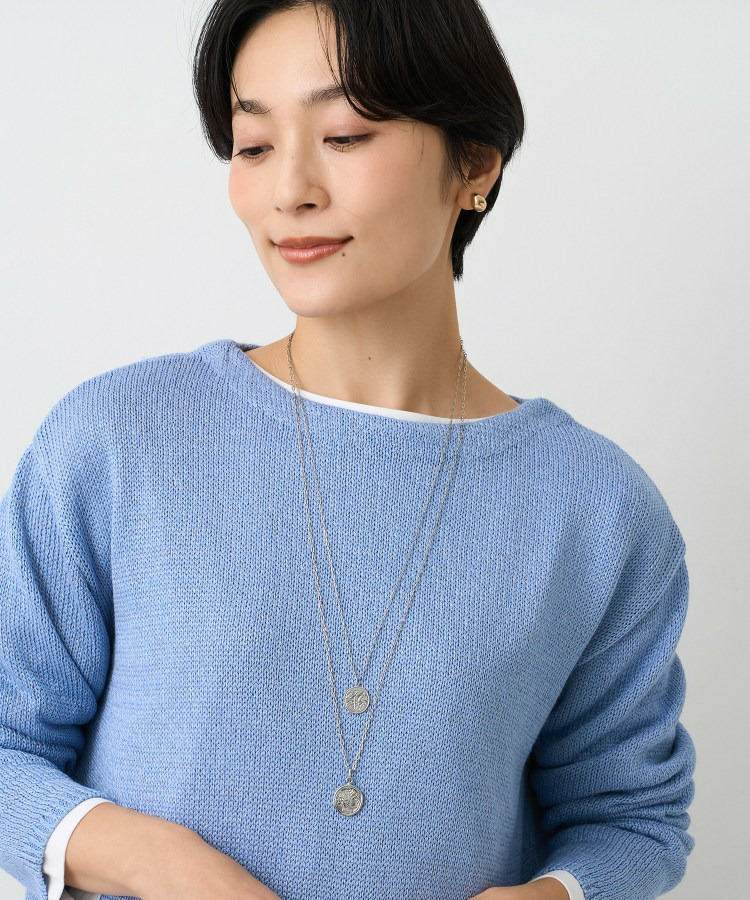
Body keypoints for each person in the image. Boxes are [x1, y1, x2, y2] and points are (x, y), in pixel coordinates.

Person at [0, 2, 695, 899]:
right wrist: (155, 861)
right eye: (254, 146)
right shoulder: (117, 439)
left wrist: (549, 897)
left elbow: (633, 820)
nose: (290, 190)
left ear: (475, 164)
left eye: (345, 135)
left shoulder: (598, 508)